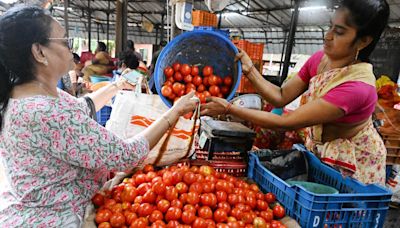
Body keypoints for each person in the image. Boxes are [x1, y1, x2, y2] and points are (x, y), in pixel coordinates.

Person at [0, 5, 197, 226]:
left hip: (25, 207)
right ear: (39, 52)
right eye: (65, 42)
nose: (70, 50)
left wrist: (115, 87)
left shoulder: (26, 96)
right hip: (55, 218)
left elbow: (82, 107)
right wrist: (174, 113)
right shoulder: (45, 112)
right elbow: (127, 155)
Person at [202, 0, 390, 185]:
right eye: (330, 26)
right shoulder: (319, 60)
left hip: (355, 164)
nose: (328, 36)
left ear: (363, 41)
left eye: (339, 32)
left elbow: (285, 122)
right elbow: (281, 96)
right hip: (323, 152)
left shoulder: (357, 88)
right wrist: (250, 70)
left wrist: (229, 109)